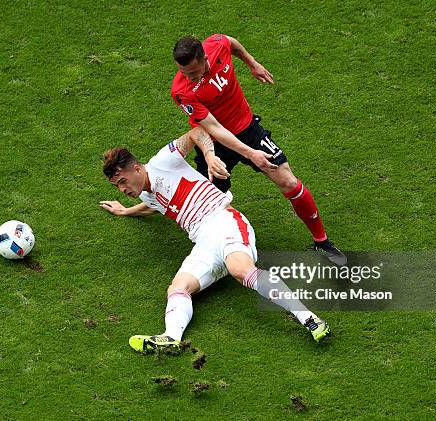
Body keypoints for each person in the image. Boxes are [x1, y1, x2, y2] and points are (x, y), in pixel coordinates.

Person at [100, 126, 330, 354]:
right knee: (178, 288)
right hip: (203, 243)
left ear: (137, 169)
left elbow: (196, 132)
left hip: (224, 221)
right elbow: (154, 206)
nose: (122, 189)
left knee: (242, 271)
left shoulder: (163, 161)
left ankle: (310, 319)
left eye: (122, 181)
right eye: (116, 186)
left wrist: (209, 156)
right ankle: (171, 337)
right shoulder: (145, 194)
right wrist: (125, 211)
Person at [171, 34, 346, 266]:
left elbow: (230, 41)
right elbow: (214, 127)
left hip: (249, 130)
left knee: (289, 182)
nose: (189, 78)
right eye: (184, 73)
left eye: (193, 72)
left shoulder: (216, 46)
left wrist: (252, 63)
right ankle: (217, 252)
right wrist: (250, 153)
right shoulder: (182, 90)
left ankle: (321, 242)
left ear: (204, 58)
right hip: (216, 144)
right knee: (206, 204)